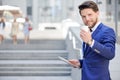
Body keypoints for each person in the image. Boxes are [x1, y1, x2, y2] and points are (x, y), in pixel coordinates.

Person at [68, 1, 116, 80]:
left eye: (90, 15)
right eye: (83, 16)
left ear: (97, 13)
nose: (87, 19)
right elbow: (92, 58)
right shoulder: (88, 31)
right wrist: (80, 63)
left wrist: (90, 42)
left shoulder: (107, 31)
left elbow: (110, 54)